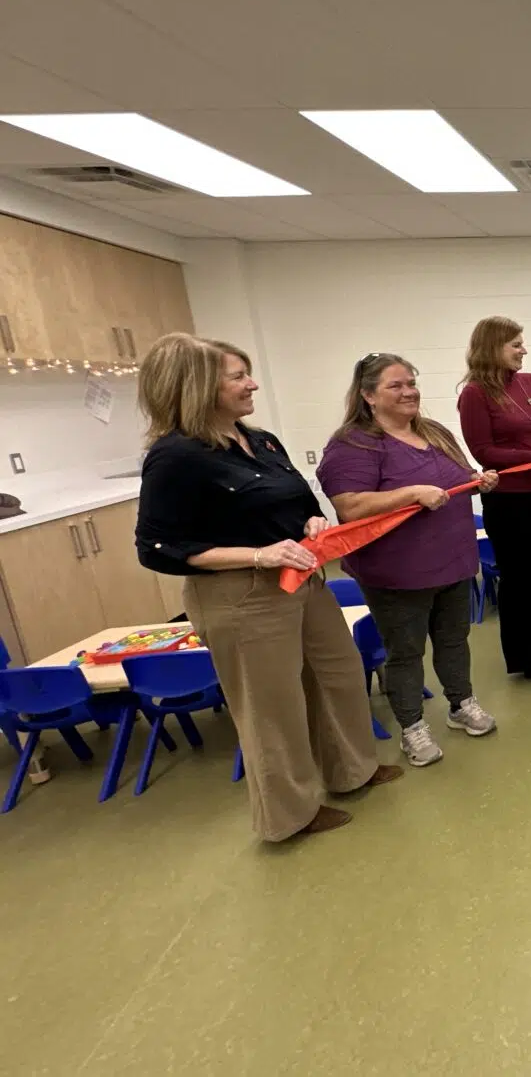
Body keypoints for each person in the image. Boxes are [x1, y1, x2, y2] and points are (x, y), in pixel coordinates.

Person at [134, 333, 402, 841]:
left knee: (337, 674)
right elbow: (156, 547)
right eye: (238, 376)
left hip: (301, 580)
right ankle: (289, 815)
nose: (252, 383)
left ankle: (351, 771)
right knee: (270, 706)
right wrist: (259, 554)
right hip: (241, 594)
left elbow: (299, 500)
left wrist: (312, 523)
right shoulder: (176, 457)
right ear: (198, 387)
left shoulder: (260, 440)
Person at [316, 353, 500, 767]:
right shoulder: (354, 444)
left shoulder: (432, 431)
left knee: (454, 641)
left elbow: (458, 478)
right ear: (367, 396)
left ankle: (460, 704)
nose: (409, 391)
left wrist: (478, 481)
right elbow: (350, 505)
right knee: (405, 652)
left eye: (411, 382)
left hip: (452, 560)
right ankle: (412, 727)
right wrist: (411, 492)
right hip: (397, 572)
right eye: (395, 385)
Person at [458, 317, 531, 682]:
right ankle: (527, 659)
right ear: (493, 348)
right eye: (516, 344)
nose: (524, 350)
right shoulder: (474, 393)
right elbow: (483, 450)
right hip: (509, 503)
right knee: (519, 579)